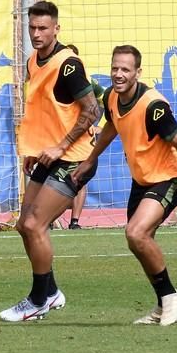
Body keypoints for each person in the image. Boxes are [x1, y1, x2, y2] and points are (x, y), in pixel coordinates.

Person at [72, 45, 177, 326]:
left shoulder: (153, 106)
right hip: (142, 180)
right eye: (115, 68)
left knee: (136, 232)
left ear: (138, 73)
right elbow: (112, 126)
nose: (118, 74)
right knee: (139, 242)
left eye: (125, 70)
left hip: (168, 178)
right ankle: (161, 304)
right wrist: (90, 159)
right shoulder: (111, 97)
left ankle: (170, 297)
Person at [0, 0, 101, 322]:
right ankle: (52, 292)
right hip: (47, 155)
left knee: (34, 224)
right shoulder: (32, 61)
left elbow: (93, 110)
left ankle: (38, 299)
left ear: (57, 28)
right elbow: (45, 111)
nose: (36, 33)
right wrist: (35, 149)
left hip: (75, 158)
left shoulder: (68, 65)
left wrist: (60, 146)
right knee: (23, 226)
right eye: (32, 27)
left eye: (43, 27)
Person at [65, 44, 106, 230]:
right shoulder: (52, 78)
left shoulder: (87, 81)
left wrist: (100, 125)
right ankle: (47, 219)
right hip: (58, 137)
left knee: (79, 179)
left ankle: (75, 221)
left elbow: (105, 99)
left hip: (82, 139)